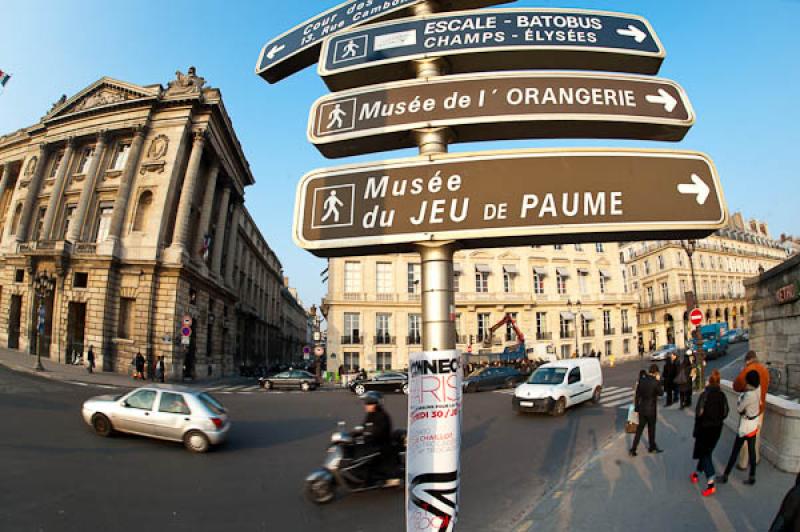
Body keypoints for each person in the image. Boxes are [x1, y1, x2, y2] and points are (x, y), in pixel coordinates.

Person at [691, 369, 729, 497]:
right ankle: (696, 473)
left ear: (710, 381)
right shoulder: (722, 395)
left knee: (705, 454)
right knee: (707, 451)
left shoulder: (705, 394)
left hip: (705, 428)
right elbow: (725, 412)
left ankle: (710, 482)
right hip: (717, 429)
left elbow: (698, 413)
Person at [720, 371, 761, 486]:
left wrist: (740, 397)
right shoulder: (758, 389)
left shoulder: (748, 395)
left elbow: (739, 408)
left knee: (735, 451)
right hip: (754, 423)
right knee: (752, 451)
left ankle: (725, 475)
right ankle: (752, 476)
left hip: (745, 426)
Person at [732, 350, 770, 468]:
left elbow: (736, 386)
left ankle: (743, 463)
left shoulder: (748, 370)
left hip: (748, 409)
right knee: (756, 435)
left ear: (747, 360)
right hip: (761, 408)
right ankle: (756, 458)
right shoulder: (764, 370)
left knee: (745, 435)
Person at [360, 391, 398, 486]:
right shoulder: (371, 415)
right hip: (373, 442)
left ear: (376, 404)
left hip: (382, 443)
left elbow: (378, 431)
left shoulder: (382, 416)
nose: (366, 406)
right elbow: (364, 426)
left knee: (369, 456)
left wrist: (368, 433)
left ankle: (390, 477)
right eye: (366, 403)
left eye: (369, 403)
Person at [630, 364, 664, 456]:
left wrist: (637, 408)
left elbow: (637, 395)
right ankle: (651, 447)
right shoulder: (655, 382)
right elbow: (661, 393)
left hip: (642, 408)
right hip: (651, 409)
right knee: (651, 429)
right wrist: (659, 380)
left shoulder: (642, 380)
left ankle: (633, 449)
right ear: (656, 372)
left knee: (639, 429)